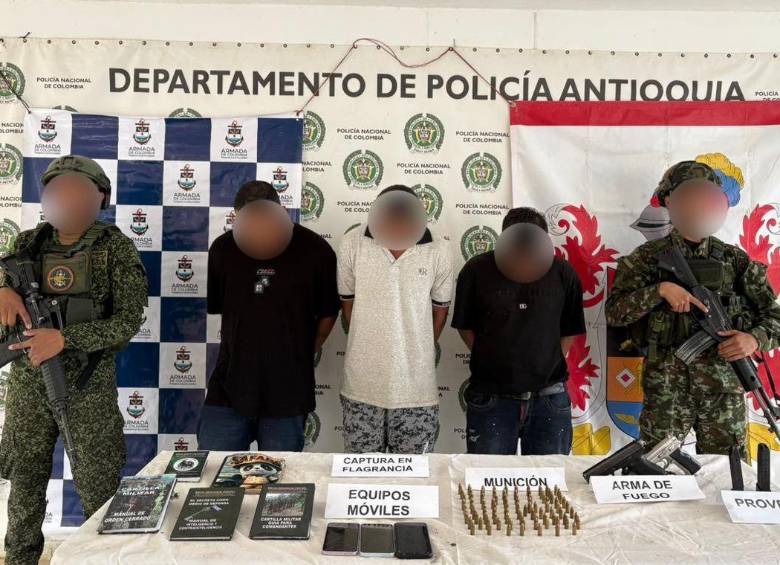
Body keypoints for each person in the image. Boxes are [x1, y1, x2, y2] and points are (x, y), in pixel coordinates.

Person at [0, 155, 148, 565]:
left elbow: (128, 321)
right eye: (57, 189)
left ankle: (98, 558)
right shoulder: (26, 242)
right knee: (25, 482)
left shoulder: (113, 247)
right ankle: (20, 558)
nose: (65, 197)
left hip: (86, 386)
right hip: (29, 383)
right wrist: (3, 290)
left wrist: (64, 338)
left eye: (77, 189)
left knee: (98, 486)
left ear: (100, 197)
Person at [606, 160, 780, 455]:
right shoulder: (647, 258)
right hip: (666, 390)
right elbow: (615, 313)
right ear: (669, 201)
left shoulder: (734, 261)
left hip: (724, 389)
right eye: (689, 196)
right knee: (657, 474)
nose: (698, 204)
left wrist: (753, 339)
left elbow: (774, 316)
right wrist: (659, 291)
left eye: (706, 196)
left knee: (728, 475)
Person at [198, 180, 340, 452]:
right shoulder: (222, 249)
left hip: (287, 391)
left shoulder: (316, 250)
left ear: (281, 211)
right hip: (229, 388)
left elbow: (328, 312)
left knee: (279, 485)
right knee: (213, 477)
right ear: (237, 217)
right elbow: (221, 309)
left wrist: (305, 350)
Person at [451, 207, 586, 455]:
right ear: (504, 239)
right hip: (491, 396)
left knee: (550, 483)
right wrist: (491, 357)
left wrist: (549, 359)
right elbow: (464, 325)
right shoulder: (476, 270)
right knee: (489, 485)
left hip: (549, 396)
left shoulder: (563, 274)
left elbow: (571, 327)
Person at [337, 184, 453, 454]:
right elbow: (348, 305)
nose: (397, 221)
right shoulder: (352, 243)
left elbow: (440, 312)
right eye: (389, 214)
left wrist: (415, 347)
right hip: (361, 389)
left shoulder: (439, 248)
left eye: (405, 214)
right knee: (362, 480)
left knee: (415, 479)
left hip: (417, 392)